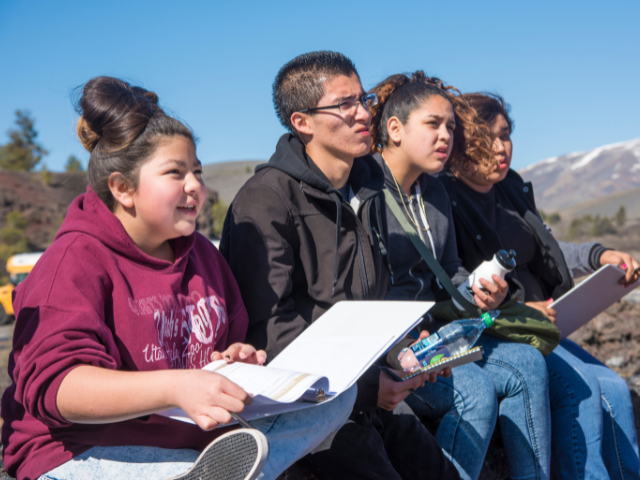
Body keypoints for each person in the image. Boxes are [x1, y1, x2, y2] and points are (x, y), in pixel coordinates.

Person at [0, 76, 357, 480]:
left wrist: (234, 359)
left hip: (195, 444)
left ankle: (218, 472)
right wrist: (174, 387)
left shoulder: (203, 255)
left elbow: (216, 355)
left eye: (198, 172)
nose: (195, 187)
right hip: (83, 450)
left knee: (337, 396)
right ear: (123, 189)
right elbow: (57, 388)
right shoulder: (74, 260)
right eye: (175, 172)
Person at [221, 51, 461, 480]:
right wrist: (368, 389)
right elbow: (270, 331)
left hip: (363, 387)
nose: (363, 113)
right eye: (344, 104)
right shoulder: (266, 200)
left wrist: (401, 349)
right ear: (302, 122)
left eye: (363, 99)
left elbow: (371, 303)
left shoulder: (367, 189)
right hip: (303, 406)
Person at [438, 91, 640, 480]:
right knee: (580, 389)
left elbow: (549, 248)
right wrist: (516, 310)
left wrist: (599, 255)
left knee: (614, 387)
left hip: (542, 325)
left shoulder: (510, 188)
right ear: (461, 145)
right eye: (489, 137)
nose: (502, 147)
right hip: (507, 330)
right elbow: (456, 284)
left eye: (506, 134)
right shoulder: (446, 200)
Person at [368, 71, 553, 480]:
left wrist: (480, 290)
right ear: (395, 129)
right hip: (394, 345)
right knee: (473, 391)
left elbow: (450, 271)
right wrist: (395, 342)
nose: (445, 135)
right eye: (433, 124)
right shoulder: (365, 191)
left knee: (526, 361)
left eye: (450, 126)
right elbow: (361, 288)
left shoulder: (433, 191)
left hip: (439, 334)